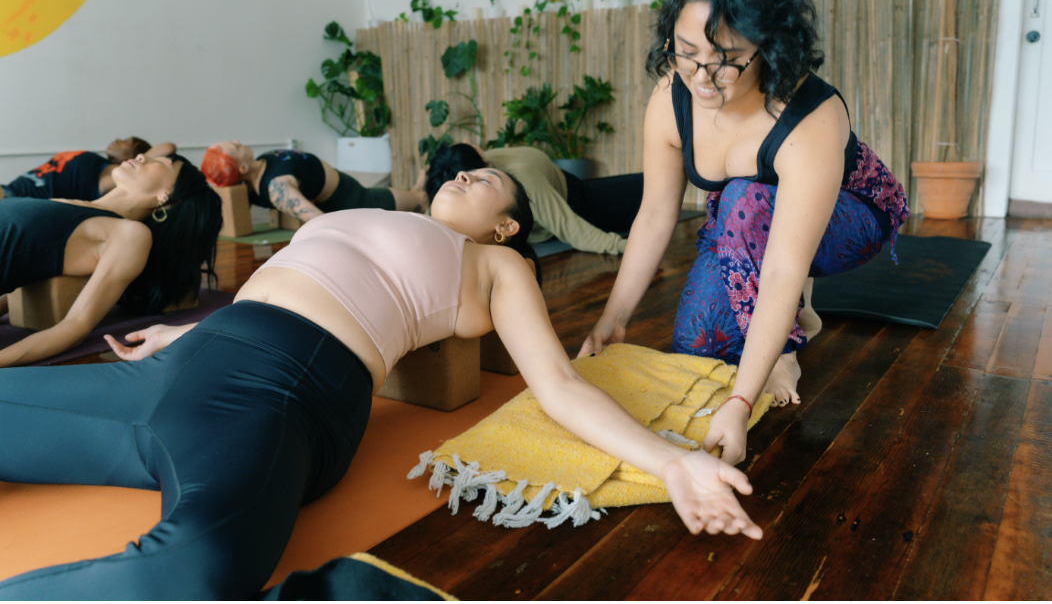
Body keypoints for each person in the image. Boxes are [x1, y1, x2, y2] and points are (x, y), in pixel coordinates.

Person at [0, 166, 761, 599]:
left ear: (504, 228)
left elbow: (558, 385)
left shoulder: (496, 266)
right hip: (197, 360)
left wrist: (671, 461)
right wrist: (190, 329)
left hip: (282, 393)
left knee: (199, 570)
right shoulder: (371, 214)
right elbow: (297, 276)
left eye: (489, 178)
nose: (465, 170)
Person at [578, 0, 909, 467]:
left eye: (726, 60)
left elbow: (781, 267)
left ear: (769, 43)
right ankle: (796, 318)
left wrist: (739, 401)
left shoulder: (810, 119)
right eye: (686, 53)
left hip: (848, 214)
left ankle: (789, 342)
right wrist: (613, 319)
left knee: (746, 199)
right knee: (699, 340)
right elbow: (657, 213)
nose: (702, 79)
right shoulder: (672, 96)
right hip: (746, 221)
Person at [0, 153, 221, 367]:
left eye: (162, 163)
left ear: (167, 196)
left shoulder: (130, 235)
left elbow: (75, 327)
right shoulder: (78, 203)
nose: (144, 155)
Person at [426, 142, 644, 255]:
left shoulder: (505, 174)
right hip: (568, 197)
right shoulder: (465, 187)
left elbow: (571, 226)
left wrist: (633, 250)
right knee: (644, 186)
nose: (462, 176)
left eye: (479, 174)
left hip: (571, 191)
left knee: (646, 184)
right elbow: (571, 227)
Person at [201, 141, 428, 223]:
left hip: (351, 188)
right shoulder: (277, 188)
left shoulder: (260, 165)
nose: (238, 141)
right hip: (351, 202)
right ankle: (420, 196)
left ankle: (415, 194)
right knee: (420, 200)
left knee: (402, 196)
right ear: (242, 168)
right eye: (235, 147)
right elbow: (319, 221)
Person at [0, 138, 177, 201]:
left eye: (127, 141)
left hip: (16, 200)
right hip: (9, 189)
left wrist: (141, 162)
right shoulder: (99, 162)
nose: (117, 139)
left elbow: (168, 147)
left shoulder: (112, 176)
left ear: (138, 155)